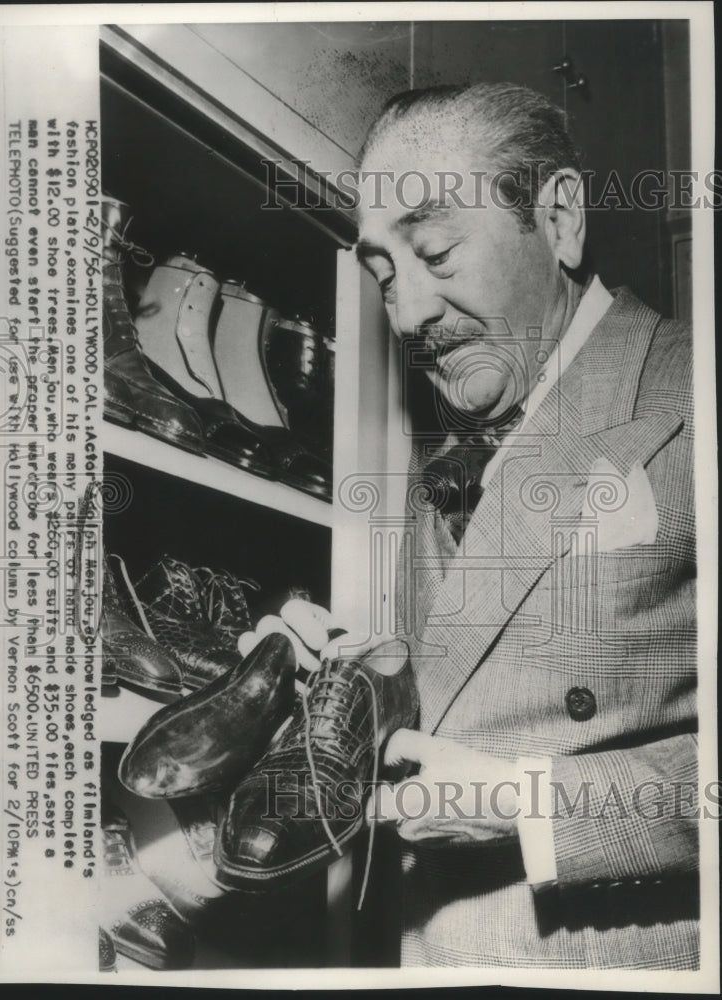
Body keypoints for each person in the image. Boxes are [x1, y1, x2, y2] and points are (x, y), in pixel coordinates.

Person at [240, 83, 698, 969]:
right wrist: (353, 685)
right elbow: (476, 694)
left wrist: (528, 805)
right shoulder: (439, 453)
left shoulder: (695, 394)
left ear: (558, 218)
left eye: (437, 252)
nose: (407, 316)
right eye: (382, 276)